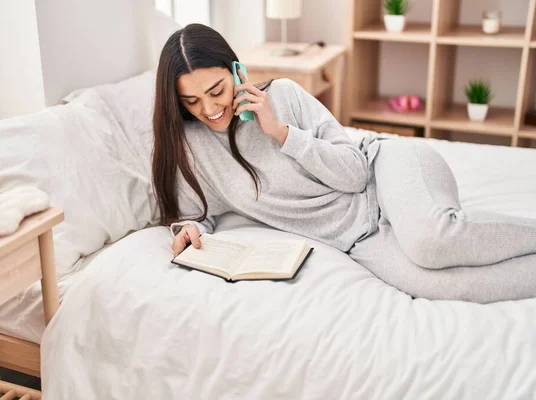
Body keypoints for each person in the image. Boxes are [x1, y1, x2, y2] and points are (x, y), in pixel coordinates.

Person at [151, 24, 536, 302]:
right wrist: (189, 229)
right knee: (447, 287)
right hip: (357, 238)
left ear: (238, 72)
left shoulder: (283, 96)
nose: (210, 109)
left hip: (384, 168)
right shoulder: (192, 146)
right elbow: (198, 211)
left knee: (432, 241)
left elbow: (354, 173)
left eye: (216, 90)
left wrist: (283, 133)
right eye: (191, 101)